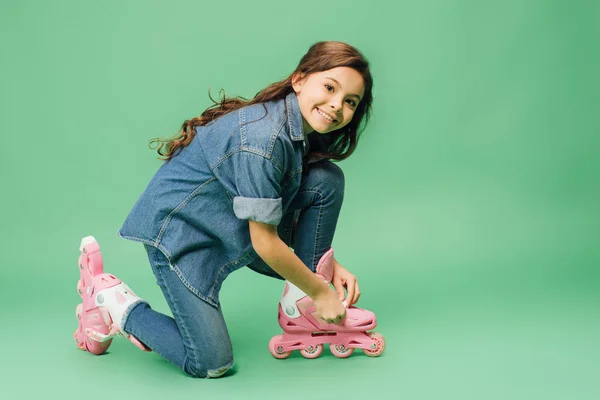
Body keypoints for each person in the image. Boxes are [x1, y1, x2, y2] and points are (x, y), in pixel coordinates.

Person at [75, 40, 374, 378]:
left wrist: (327, 268)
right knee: (211, 362)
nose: (336, 106)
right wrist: (322, 291)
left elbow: (279, 209)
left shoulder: (296, 130)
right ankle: (112, 303)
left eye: (350, 102)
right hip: (182, 235)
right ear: (300, 80)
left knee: (324, 179)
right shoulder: (263, 141)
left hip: (225, 219)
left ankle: (300, 303)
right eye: (329, 87)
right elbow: (265, 241)